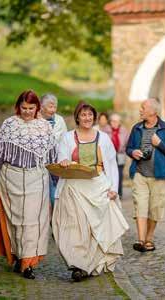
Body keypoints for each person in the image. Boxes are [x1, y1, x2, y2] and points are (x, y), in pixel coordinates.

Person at [0, 90, 56, 279]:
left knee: (33, 222)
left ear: (38, 107)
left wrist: (58, 181)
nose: (27, 112)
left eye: (31, 108)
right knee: (15, 221)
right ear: (18, 107)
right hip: (10, 178)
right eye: (24, 108)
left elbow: (52, 156)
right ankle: (18, 257)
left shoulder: (45, 127)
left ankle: (28, 264)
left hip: (37, 178)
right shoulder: (9, 124)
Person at [52, 101, 129, 282]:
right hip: (74, 187)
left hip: (97, 186)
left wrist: (113, 189)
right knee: (75, 228)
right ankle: (78, 265)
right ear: (77, 117)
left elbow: (111, 165)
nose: (87, 118)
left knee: (94, 229)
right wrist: (63, 160)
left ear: (93, 117)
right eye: (83, 115)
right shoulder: (68, 137)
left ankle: (88, 265)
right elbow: (61, 156)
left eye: (90, 115)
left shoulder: (103, 138)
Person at [126, 98, 165, 252]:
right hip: (139, 173)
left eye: (143, 107)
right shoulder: (136, 128)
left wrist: (159, 144)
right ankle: (141, 240)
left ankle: (149, 238)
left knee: (155, 208)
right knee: (140, 205)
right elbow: (128, 148)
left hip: (159, 175)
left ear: (153, 111)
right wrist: (132, 152)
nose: (140, 110)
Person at [40, 93, 67, 209]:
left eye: (55, 107)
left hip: (54, 165)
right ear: (41, 106)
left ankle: (55, 223)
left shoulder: (59, 120)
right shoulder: (36, 120)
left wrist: (64, 158)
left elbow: (65, 141)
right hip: (39, 165)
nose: (53, 110)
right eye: (50, 106)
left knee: (54, 197)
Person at [109, 113, 129, 198]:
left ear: (119, 122)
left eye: (116, 121)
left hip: (120, 155)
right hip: (109, 156)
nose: (115, 123)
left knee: (119, 174)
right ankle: (110, 192)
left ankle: (119, 193)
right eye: (113, 121)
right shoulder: (107, 131)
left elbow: (127, 143)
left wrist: (123, 149)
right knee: (110, 174)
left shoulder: (124, 131)